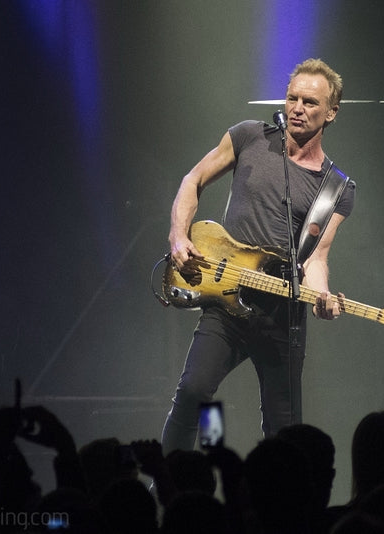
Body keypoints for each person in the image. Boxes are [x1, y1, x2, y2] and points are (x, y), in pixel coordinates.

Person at [161, 58, 355, 454]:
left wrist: (323, 295)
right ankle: (170, 481)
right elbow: (192, 179)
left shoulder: (336, 188)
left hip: (282, 314)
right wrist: (179, 236)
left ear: (331, 112)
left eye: (310, 102)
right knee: (196, 391)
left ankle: (277, 504)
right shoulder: (249, 136)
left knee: (283, 427)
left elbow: (316, 258)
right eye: (292, 98)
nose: (297, 108)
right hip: (227, 301)